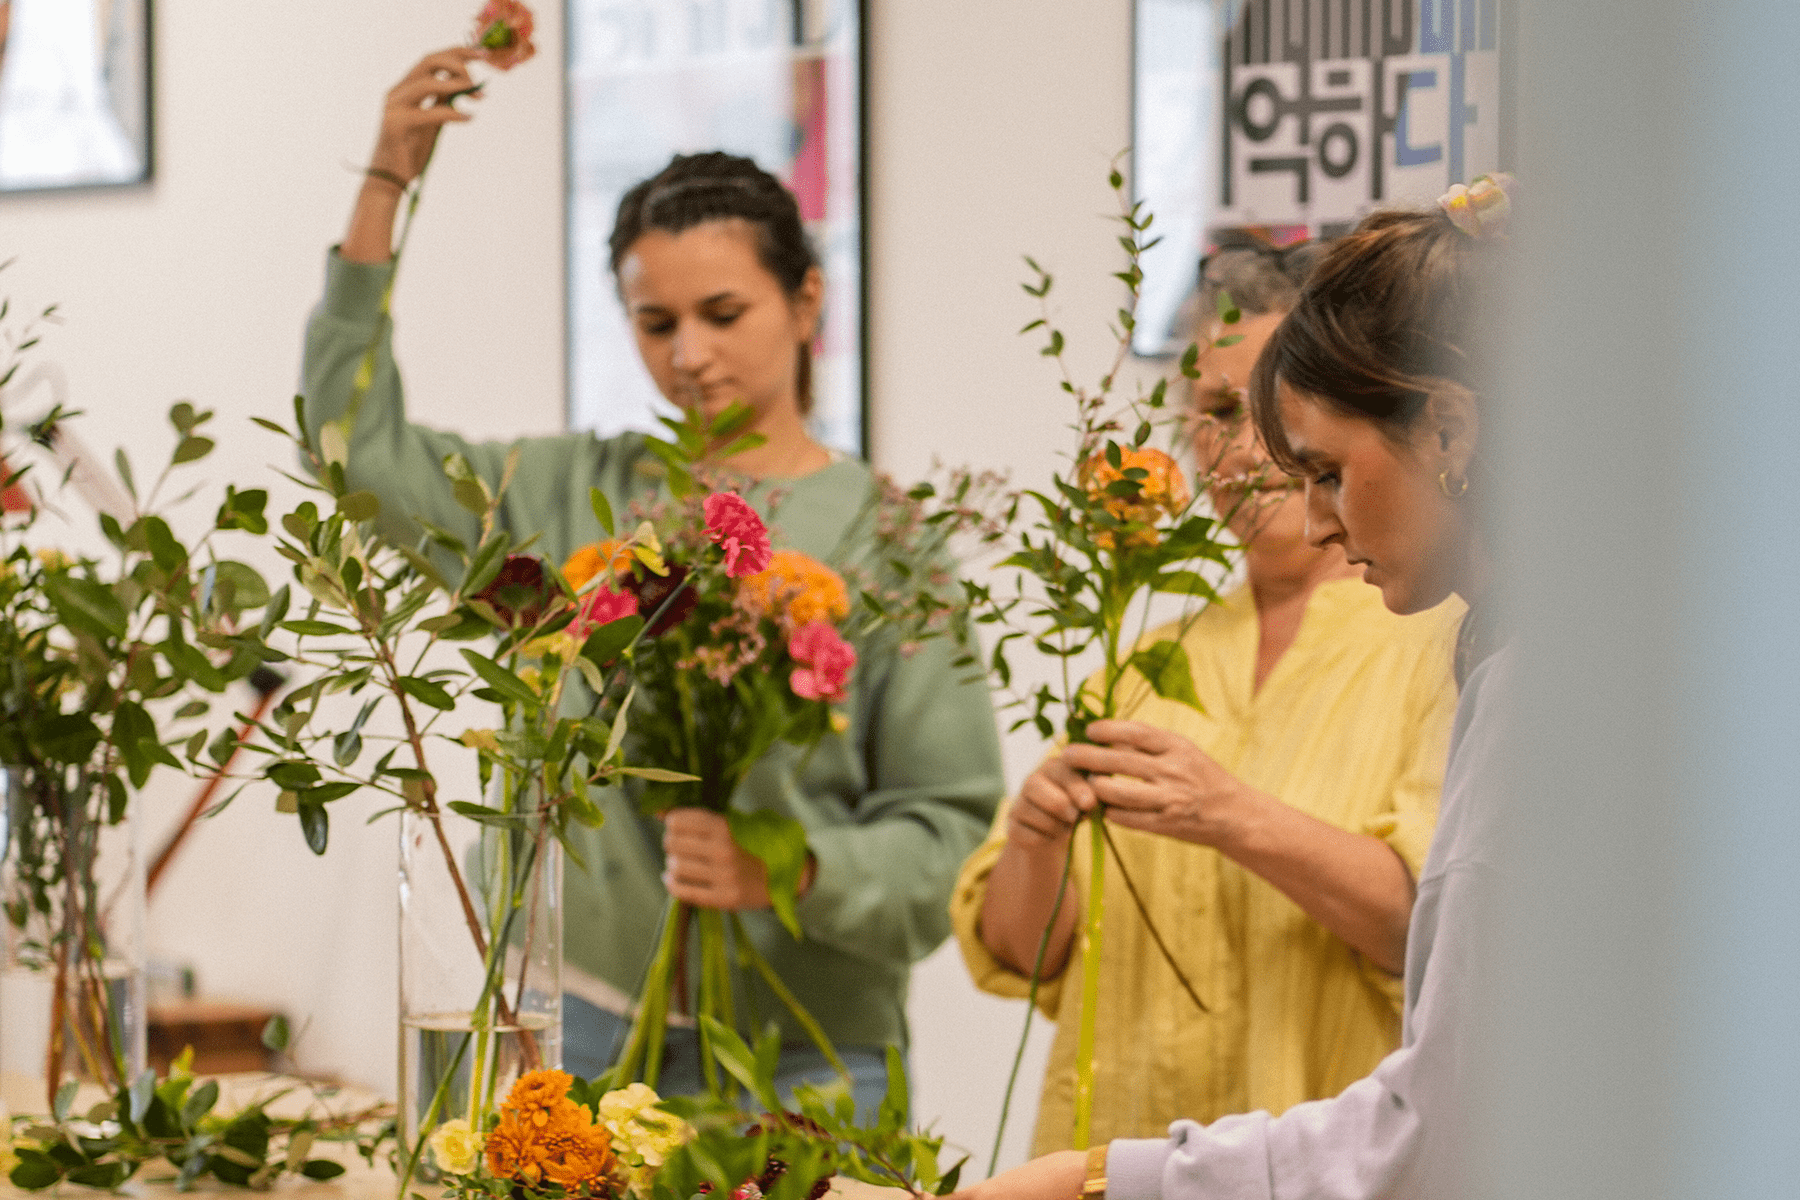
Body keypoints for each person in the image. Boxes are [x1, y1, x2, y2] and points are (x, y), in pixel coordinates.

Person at [300, 48, 1005, 1111]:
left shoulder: (885, 540)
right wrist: (387, 181)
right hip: (575, 1030)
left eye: (724, 314)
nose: (689, 355)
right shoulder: (561, 504)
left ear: (807, 299)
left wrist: (794, 866)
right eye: (656, 322)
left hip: (811, 1062)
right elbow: (359, 456)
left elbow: (948, 828)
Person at [952, 182, 1513, 1200]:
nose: (1250, 456)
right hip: (1130, 1155)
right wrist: (1035, 832)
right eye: (1214, 413)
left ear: (1444, 430)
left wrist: (1232, 816)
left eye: (1308, 450)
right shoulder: (1142, 655)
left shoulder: (1448, 643)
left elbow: (1431, 955)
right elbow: (1021, 954)